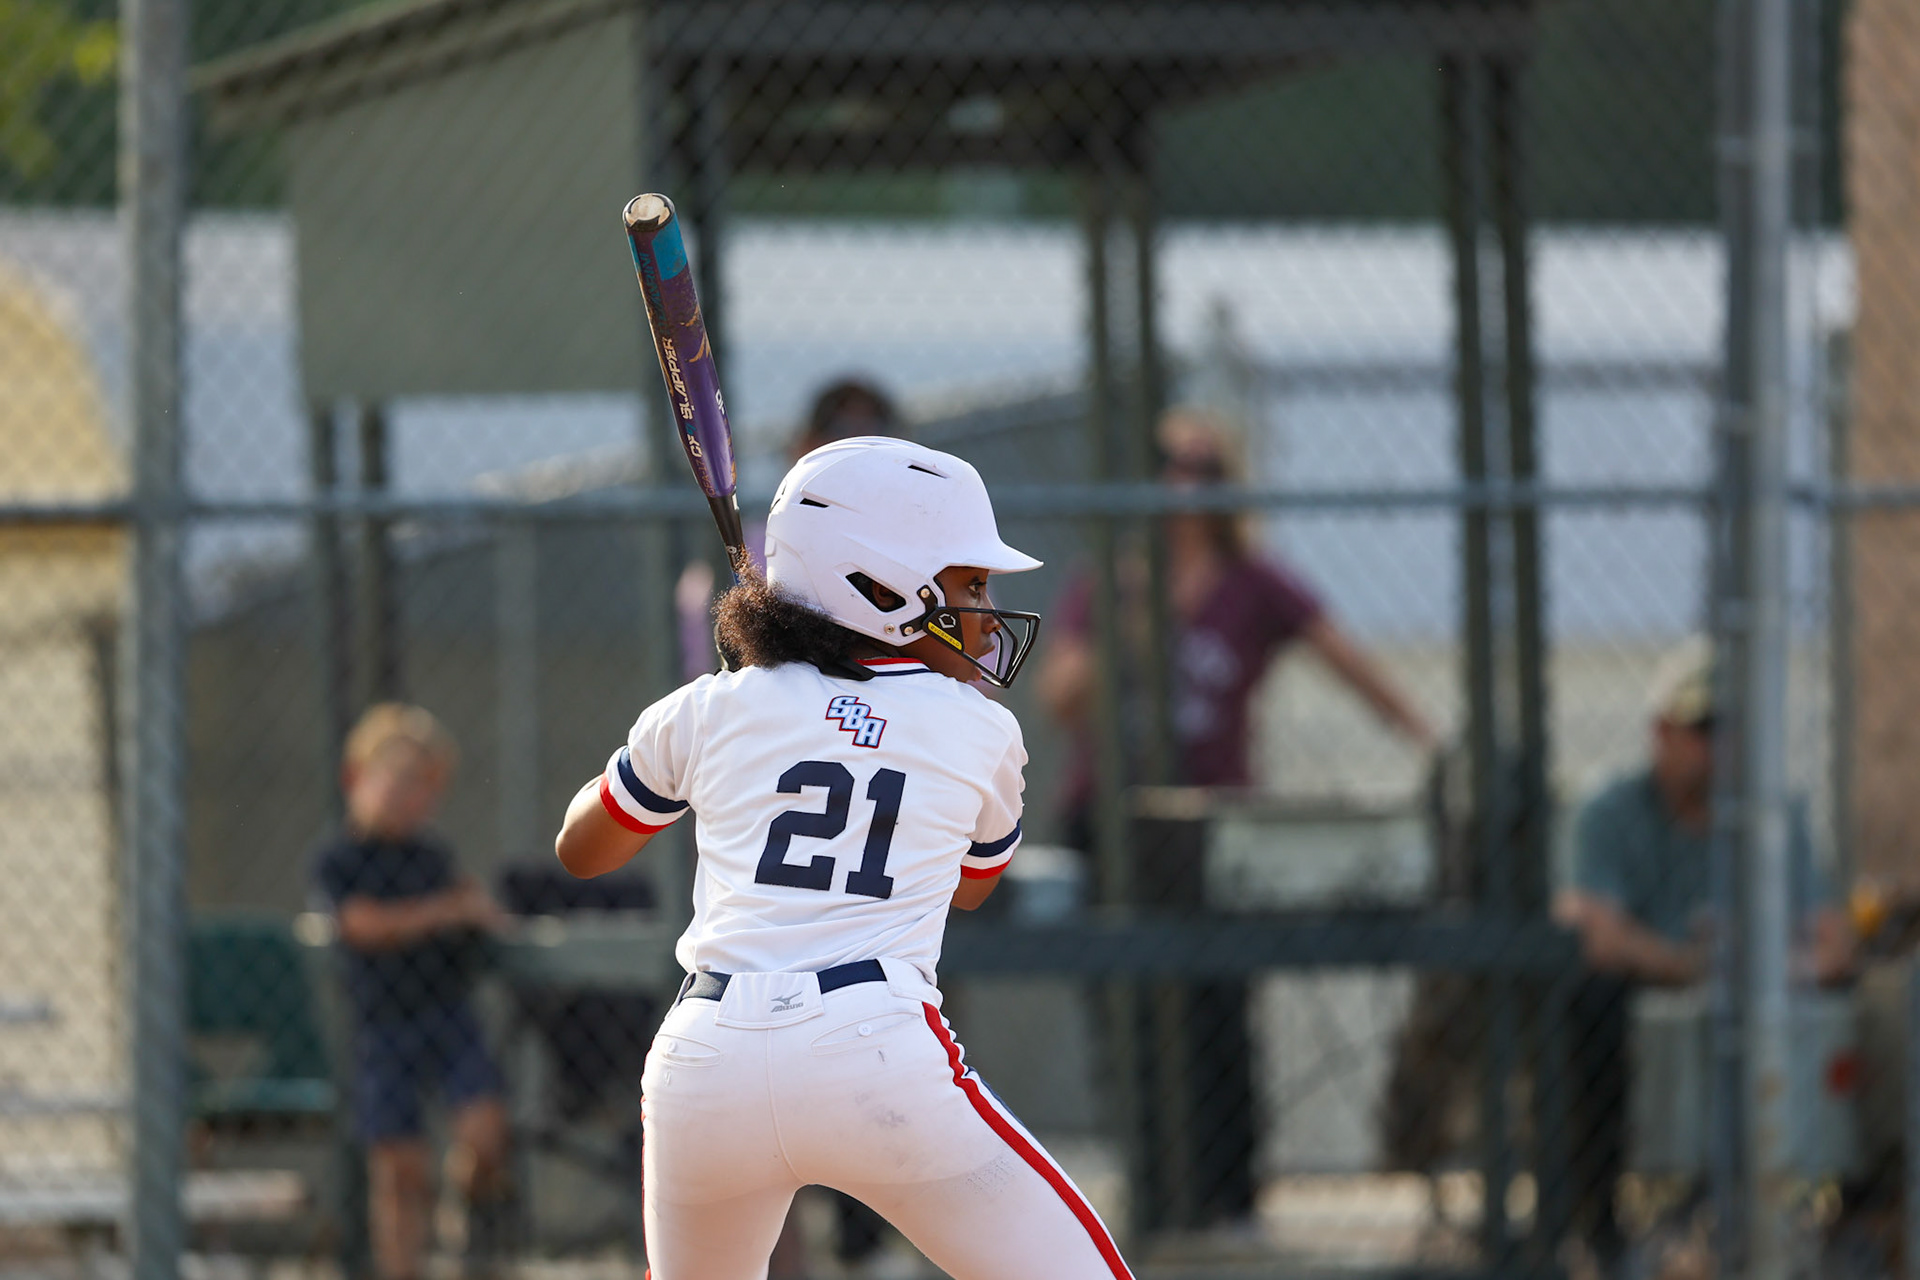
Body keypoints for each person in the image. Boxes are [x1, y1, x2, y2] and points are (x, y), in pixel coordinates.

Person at [555, 437, 1134, 1280]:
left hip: (705, 1060)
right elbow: (973, 888)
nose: (988, 612)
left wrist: (695, 732)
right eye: (971, 585)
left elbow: (582, 850)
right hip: (874, 1051)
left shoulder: (709, 707)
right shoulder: (981, 729)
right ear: (882, 588)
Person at [1034, 408, 1436, 1228]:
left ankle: (1231, 1195)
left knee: (1219, 1009)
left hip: (1213, 826)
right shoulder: (1110, 582)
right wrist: (1131, 626)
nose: (1185, 488)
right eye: (1170, 467)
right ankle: (1158, 1193)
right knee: (1134, 1015)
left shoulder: (1254, 583)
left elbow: (1346, 660)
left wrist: (1428, 740)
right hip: (1115, 821)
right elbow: (1060, 700)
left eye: (1204, 471)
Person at [1552, 637, 1854, 1270]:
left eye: (1732, 730)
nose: (1718, 749)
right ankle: (1596, 1226)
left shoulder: (1775, 815)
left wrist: (1764, 972)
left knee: (1848, 1005)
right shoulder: (1611, 810)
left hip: (1757, 988)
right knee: (1587, 997)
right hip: (1649, 992)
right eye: (1702, 730)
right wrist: (1693, 965)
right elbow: (1597, 933)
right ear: (1661, 733)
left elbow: (1832, 945)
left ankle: (1835, 1217)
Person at [312, 704, 513, 1280]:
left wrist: (474, 911)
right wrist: (437, 913)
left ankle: (463, 1205)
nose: (412, 799)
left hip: (447, 1016)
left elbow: (474, 911)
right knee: (399, 1169)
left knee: (485, 1131)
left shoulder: (432, 857)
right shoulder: (340, 859)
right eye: (399, 780)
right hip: (382, 1027)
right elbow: (361, 924)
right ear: (356, 777)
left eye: (426, 787)